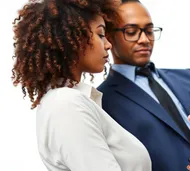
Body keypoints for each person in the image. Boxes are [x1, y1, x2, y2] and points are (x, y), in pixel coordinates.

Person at [97, 0, 190, 170]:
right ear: (109, 36)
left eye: (149, 30)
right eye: (131, 31)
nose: (144, 39)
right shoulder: (102, 100)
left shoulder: (187, 76)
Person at [11, 0, 151, 170]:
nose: (108, 45)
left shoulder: (71, 101)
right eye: (100, 35)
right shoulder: (66, 105)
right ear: (72, 38)